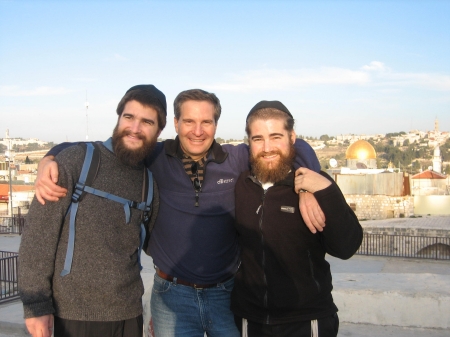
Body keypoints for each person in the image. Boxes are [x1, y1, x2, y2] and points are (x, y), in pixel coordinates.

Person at [34, 90, 324, 337]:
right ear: (175, 123)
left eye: (206, 122)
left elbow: (296, 146)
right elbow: (98, 149)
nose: (197, 131)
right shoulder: (155, 157)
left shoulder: (235, 159)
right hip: (172, 297)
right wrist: (51, 156)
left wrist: (308, 185)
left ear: (215, 124)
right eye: (189, 121)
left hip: (227, 295)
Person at [18, 84, 166, 337]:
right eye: (128, 117)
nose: (135, 128)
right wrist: (35, 305)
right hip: (74, 315)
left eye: (147, 122)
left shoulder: (149, 183)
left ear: (159, 130)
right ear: (118, 118)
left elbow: (153, 244)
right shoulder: (77, 161)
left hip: (129, 314)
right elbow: (38, 238)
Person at [231, 101, 363, 337]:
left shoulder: (317, 184)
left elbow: (346, 247)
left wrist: (325, 190)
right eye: (258, 139)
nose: (267, 147)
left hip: (306, 321)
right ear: (248, 142)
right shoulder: (241, 185)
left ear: (292, 137)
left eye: (276, 136)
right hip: (249, 322)